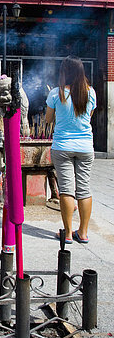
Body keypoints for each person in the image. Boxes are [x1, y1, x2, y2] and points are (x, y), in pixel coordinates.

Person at [45, 55, 96, 245]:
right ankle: (82, 233)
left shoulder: (56, 94)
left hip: (63, 146)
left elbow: (48, 120)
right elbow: (87, 117)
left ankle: (67, 233)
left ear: (64, 72)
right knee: (84, 189)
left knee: (66, 189)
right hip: (85, 147)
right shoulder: (91, 93)